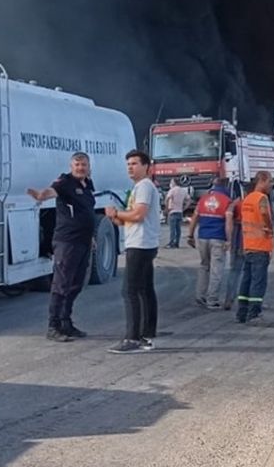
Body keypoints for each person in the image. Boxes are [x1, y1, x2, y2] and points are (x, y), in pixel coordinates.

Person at [27, 152, 95, 342]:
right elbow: (52, 191)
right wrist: (41, 195)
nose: (80, 168)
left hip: (83, 241)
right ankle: (53, 326)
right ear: (71, 167)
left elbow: (86, 211)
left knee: (77, 284)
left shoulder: (88, 184)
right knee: (61, 284)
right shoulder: (65, 182)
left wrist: (91, 237)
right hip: (67, 242)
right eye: (77, 165)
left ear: (89, 167)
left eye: (84, 164)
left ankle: (66, 322)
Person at [105, 150, 161, 354]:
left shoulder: (144, 186)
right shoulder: (139, 187)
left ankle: (133, 338)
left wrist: (117, 212)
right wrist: (115, 217)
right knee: (145, 290)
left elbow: (138, 215)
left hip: (140, 244)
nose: (130, 167)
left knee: (130, 291)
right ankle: (147, 335)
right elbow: (129, 219)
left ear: (146, 167)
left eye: (135, 163)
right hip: (142, 243)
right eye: (128, 164)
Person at [188, 176, 233, 309]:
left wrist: (190, 236)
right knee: (216, 270)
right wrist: (229, 240)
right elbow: (228, 223)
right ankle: (212, 299)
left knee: (204, 266)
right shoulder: (227, 201)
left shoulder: (203, 199)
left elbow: (194, 217)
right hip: (218, 238)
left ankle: (200, 295)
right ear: (226, 186)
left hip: (202, 238)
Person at [235, 171, 274, 324]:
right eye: (270, 181)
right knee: (258, 282)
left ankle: (241, 313)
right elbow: (264, 213)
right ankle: (254, 314)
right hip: (260, 246)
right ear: (262, 180)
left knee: (246, 281)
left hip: (248, 246)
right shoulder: (261, 198)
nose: (271, 185)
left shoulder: (247, 199)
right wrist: (269, 227)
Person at [165, 179, 192, 248]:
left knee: (172, 229)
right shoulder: (183, 191)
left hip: (172, 211)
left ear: (174, 183)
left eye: (171, 182)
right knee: (178, 229)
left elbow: (167, 199)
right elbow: (189, 200)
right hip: (180, 212)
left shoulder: (172, 190)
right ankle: (177, 243)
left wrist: (167, 208)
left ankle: (171, 243)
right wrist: (184, 207)